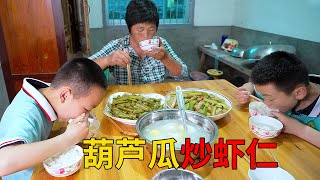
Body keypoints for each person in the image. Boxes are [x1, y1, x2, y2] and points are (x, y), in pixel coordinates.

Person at [0, 58, 107, 179]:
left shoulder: (50, 92)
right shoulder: (25, 113)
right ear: (65, 95)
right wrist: (68, 138)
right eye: (86, 109)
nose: (86, 115)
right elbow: (3, 163)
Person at [89, 0, 188, 85]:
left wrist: (166, 58)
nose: (146, 35)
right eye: (140, 29)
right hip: (127, 101)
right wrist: (107, 60)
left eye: (151, 29)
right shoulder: (118, 45)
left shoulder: (161, 44)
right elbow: (82, 70)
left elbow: (183, 75)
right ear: (130, 28)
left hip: (156, 100)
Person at [250, 51, 320, 147]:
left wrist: (299, 129)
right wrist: (246, 89)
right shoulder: (279, 87)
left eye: (270, 99)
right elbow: (253, 85)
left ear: (299, 93)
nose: (265, 103)